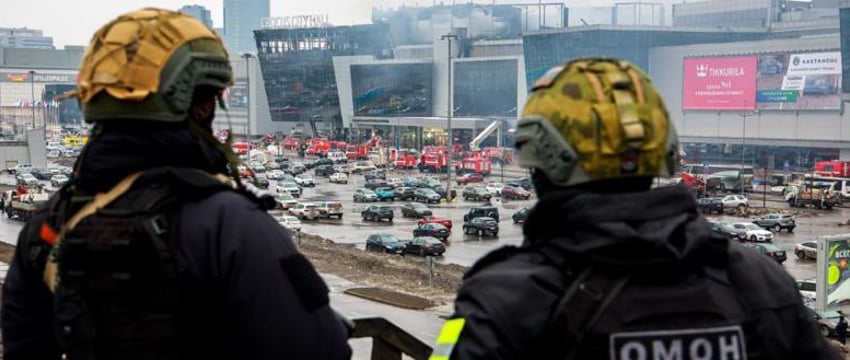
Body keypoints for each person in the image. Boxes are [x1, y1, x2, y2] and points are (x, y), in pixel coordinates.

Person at [430, 58, 838, 360]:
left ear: (543, 156)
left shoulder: (502, 298)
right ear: (661, 149)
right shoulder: (759, 282)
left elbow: (446, 352)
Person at [2, 9, 351, 360]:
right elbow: (321, 349)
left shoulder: (49, 225)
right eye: (211, 100)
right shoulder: (229, 224)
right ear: (198, 107)